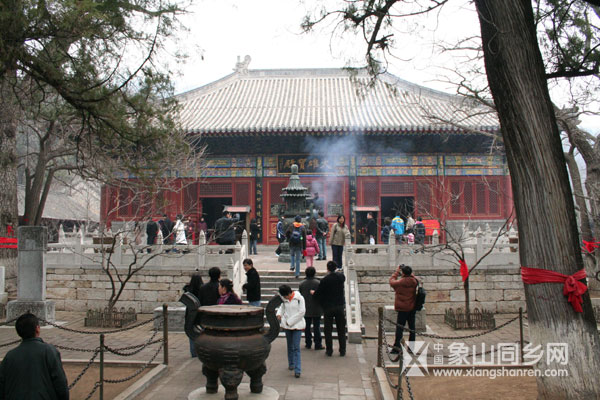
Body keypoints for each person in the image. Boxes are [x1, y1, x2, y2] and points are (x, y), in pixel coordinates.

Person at [0, 313, 69, 400]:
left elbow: (2, 385)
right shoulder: (49, 351)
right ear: (37, 329)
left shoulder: (10, 356)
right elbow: (60, 384)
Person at [313, 261, 346, 357]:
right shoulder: (341, 277)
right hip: (339, 305)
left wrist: (314, 293)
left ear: (327, 269)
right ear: (336, 268)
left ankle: (329, 350)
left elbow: (319, 292)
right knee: (341, 329)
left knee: (328, 329)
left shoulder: (325, 280)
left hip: (328, 307)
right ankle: (342, 350)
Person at [277, 284, 306, 378]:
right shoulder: (284, 299)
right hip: (287, 326)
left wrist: (290, 321)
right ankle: (291, 363)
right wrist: (279, 314)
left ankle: (298, 369)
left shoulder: (299, 298)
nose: (285, 297)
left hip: (297, 325)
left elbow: (302, 312)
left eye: (286, 295)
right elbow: (282, 307)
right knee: (290, 346)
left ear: (289, 293)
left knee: (296, 347)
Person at [389, 265, 419, 354]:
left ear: (403, 273)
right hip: (412, 307)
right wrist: (410, 274)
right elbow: (415, 278)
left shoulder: (400, 283)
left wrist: (396, 272)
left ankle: (397, 347)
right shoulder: (414, 281)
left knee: (399, 328)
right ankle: (411, 348)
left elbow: (391, 281)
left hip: (402, 308)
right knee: (412, 328)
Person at [299, 266, 323, 350]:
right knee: (316, 326)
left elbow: (300, 295)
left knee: (307, 327)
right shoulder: (318, 283)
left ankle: (308, 343)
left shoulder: (302, 284)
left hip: (306, 308)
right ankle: (318, 343)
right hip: (316, 307)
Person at [184, 273, 203, 357]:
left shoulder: (188, 290)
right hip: (199, 313)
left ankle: (193, 351)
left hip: (190, 313)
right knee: (200, 332)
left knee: (191, 332)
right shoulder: (202, 289)